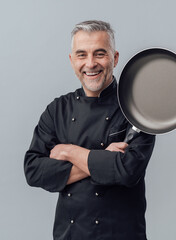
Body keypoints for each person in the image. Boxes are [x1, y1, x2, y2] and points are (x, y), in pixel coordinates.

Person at [24, 20, 156, 240]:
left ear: (114, 58)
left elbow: (127, 171)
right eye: (82, 55)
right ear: (72, 60)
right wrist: (104, 159)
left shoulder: (137, 108)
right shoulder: (58, 109)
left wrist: (67, 152)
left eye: (100, 54)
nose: (90, 63)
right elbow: (34, 170)